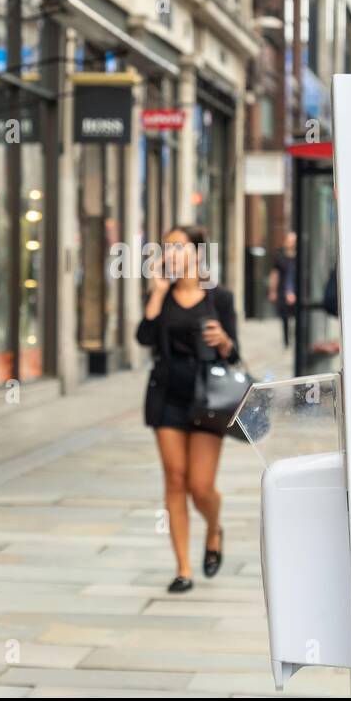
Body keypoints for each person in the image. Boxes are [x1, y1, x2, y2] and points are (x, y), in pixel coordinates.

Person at [136, 225, 239, 593]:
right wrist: (158, 291)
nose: (171, 254)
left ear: (197, 253)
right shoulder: (161, 296)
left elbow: (235, 353)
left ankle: (213, 528)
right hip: (167, 397)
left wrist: (224, 341)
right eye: (167, 248)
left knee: (200, 485)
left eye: (179, 247)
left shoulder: (220, 299)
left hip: (209, 399)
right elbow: (144, 337)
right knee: (175, 479)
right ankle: (183, 568)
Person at [267, 231, 297, 348]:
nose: (290, 243)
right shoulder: (280, 257)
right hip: (283, 291)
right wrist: (272, 291)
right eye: (288, 240)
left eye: (292, 241)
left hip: (296, 291)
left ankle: (295, 339)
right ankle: (286, 342)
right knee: (284, 318)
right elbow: (274, 275)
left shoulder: (299, 258)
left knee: (296, 318)